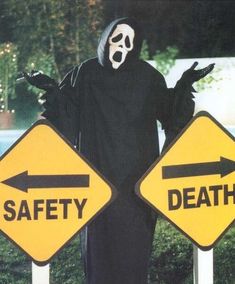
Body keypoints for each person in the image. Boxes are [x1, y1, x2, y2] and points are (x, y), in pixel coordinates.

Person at [24, 17, 214, 284]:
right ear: (105, 40)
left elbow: (170, 114)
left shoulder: (148, 77)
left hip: (136, 184)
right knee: (98, 255)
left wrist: (183, 86)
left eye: (129, 41)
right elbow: (66, 118)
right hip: (97, 183)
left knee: (133, 256)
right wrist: (52, 90)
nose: (122, 45)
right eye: (117, 38)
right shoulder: (85, 73)